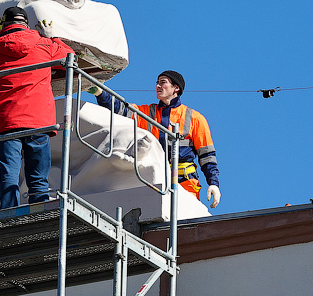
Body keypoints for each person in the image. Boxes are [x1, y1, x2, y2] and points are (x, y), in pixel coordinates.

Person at [0, 6, 74, 208]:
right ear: (26, 24)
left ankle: (9, 215)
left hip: (5, 123)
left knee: (8, 175)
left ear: (4, 25)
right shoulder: (43, 45)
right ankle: (38, 215)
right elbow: (70, 57)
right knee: (38, 179)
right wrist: (53, 37)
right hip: (39, 122)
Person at [86, 70, 221, 208]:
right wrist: (100, 93)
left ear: (176, 88)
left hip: (186, 184)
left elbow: (207, 156)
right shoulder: (147, 113)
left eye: (163, 82)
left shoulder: (195, 118)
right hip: (155, 180)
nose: (158, 86)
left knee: (184, 223)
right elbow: (122, 109)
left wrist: (213, 183)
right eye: (157, 83)